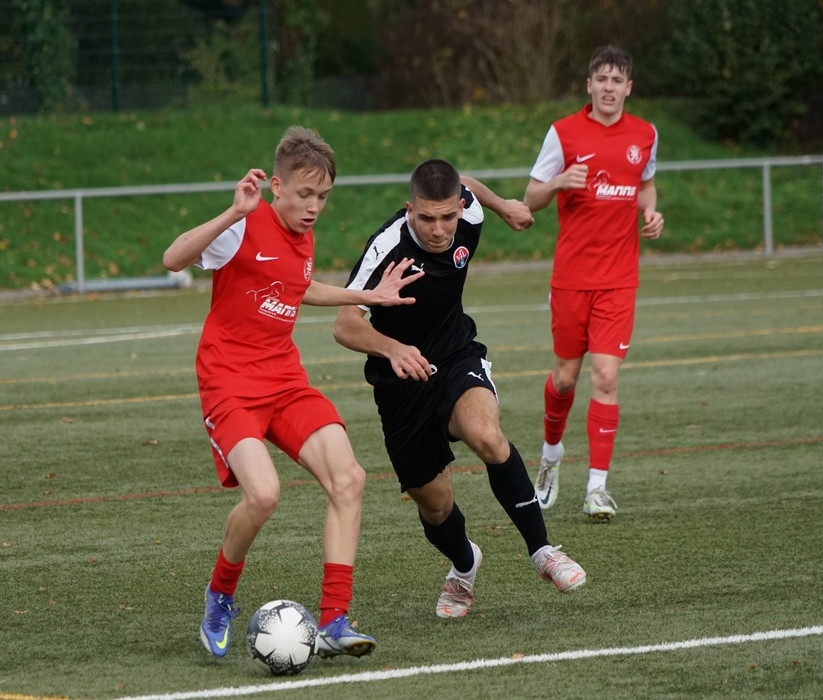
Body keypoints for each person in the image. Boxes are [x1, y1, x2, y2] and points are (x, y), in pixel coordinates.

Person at [162, 125, 423, 660]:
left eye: (323, 197)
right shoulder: (244, 224)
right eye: (305, 195)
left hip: (283, 379)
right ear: (276, 186)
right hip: (229, 382)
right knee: (263, 495)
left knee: (349, 479)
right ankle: (220, 594)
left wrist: (369, 295)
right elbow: (173, 258)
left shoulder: (303, 233)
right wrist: (233, 212)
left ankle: (333, 621)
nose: (314, 207)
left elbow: (298, 286)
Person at [333, 159, 586, 619]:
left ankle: (543, 551)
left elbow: (465, 182)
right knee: (435, 506)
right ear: (409, 209)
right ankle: (465, 566)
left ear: (459, 208)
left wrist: (504, 206)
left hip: (455, 357)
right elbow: (345, 325)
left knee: (487, 435)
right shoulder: (387, 247)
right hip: (400, 383)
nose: (438, 229)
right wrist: (392, 348)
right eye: (426, 218)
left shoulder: (468, 212)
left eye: (447, 216)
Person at [523, 45, 664, 520]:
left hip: (619, 279)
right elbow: (531, 197)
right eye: (601, 79)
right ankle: (550, 456)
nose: (608, 87)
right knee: (565, 378)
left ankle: (597, 488)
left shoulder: (645, 135)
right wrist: (559, 182)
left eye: (616, 80)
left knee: (606, 376)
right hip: (571, 278)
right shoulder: (563, 133)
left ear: (629, 87)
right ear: (589, 85)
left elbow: (645, 183)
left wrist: (650, 211)